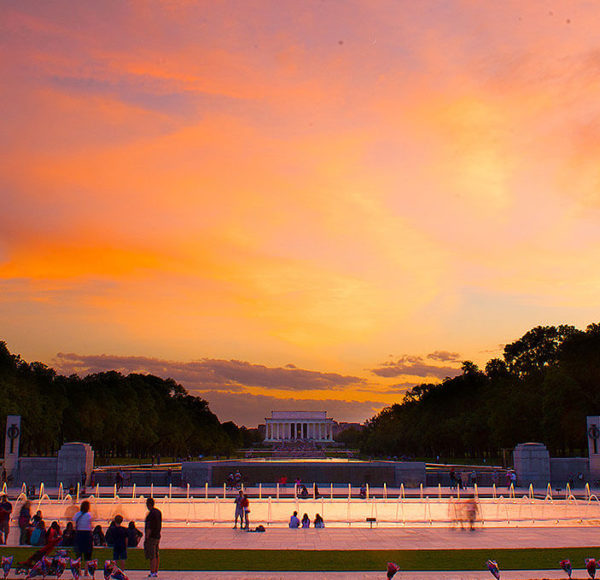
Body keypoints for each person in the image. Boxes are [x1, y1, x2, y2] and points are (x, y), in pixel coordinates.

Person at [144, 497, 161, 578]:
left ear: (149, 505)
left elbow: (149, 527)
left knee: (152, 555)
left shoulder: (150, 514)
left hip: (151, 537)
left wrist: (147, 537)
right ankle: (156, 571)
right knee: (156, 554)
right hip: (157, 535)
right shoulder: (158, 512)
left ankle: (152, 572)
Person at [73, 500, 93, 567]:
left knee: (79, 553)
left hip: (79, 534)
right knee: (87, 554)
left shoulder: (77, 514)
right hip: (87, 534)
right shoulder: (89, 515)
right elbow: (91, 525)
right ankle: (86, 571)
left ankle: (79, 570)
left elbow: (74, 523)